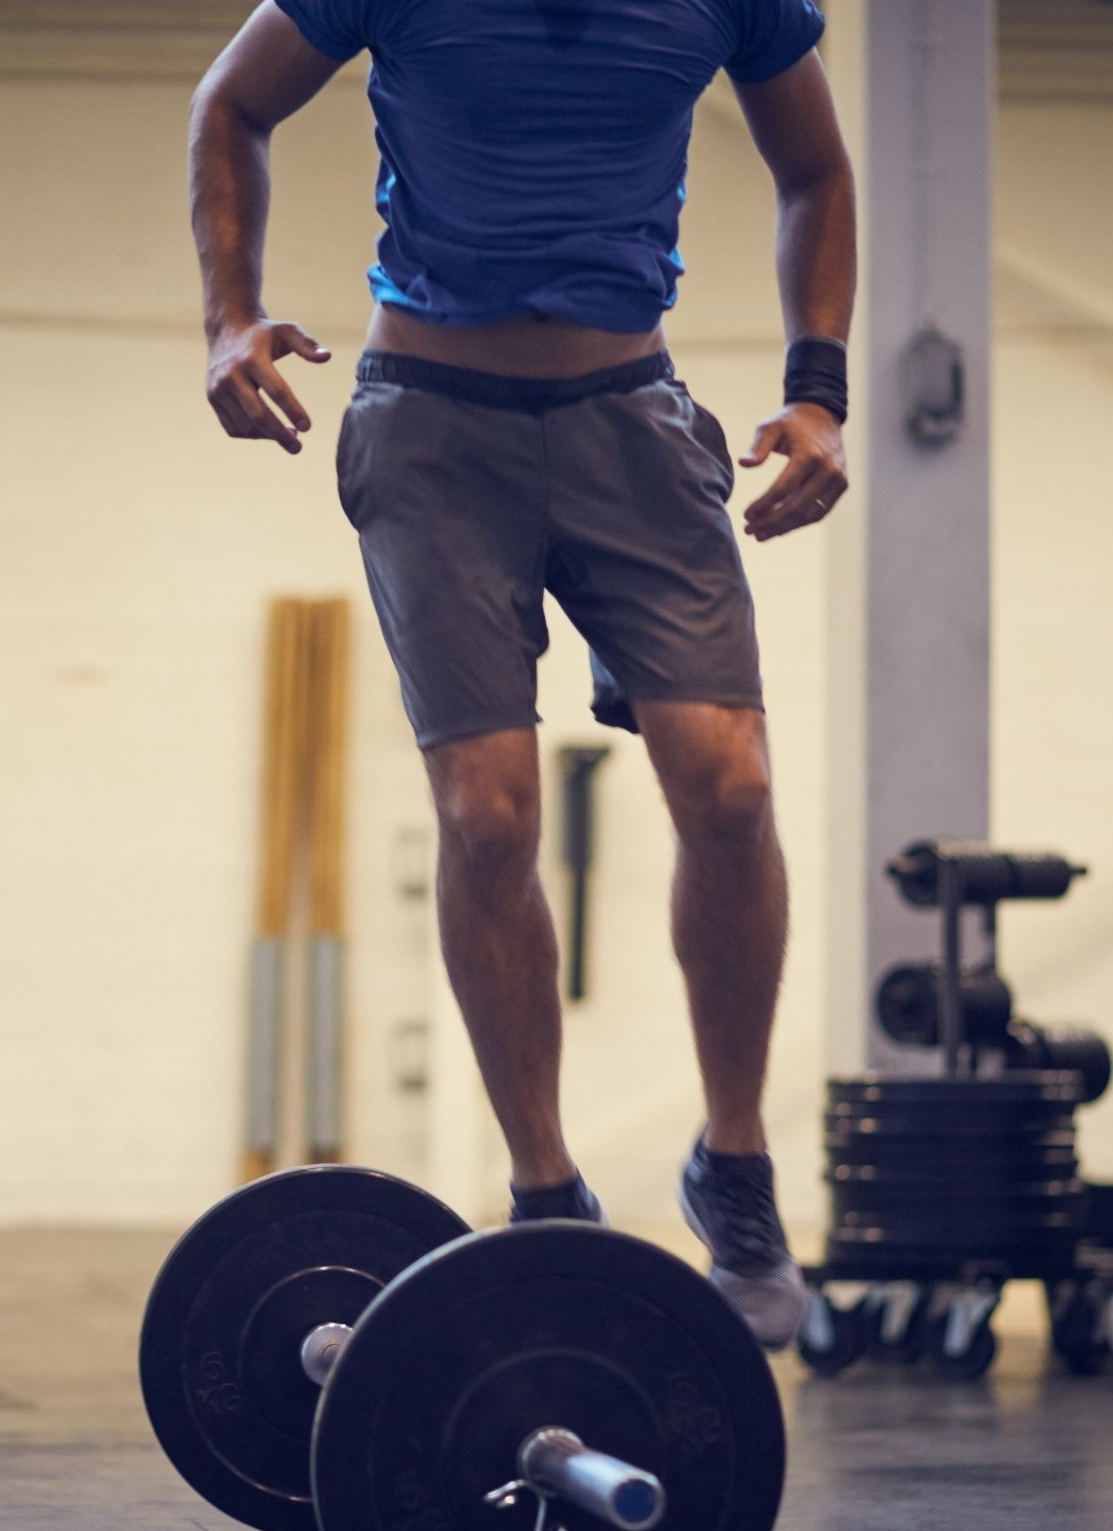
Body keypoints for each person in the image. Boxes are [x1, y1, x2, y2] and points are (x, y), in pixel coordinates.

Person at [188, 0, 855, 1351]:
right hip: (432, 431)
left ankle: (734, 1171)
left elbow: (818, 170)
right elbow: (231, 105)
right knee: (489, 815)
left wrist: (819, 385)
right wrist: (228, 316)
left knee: (729, 790)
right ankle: (548, 1195)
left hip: (633, 421)